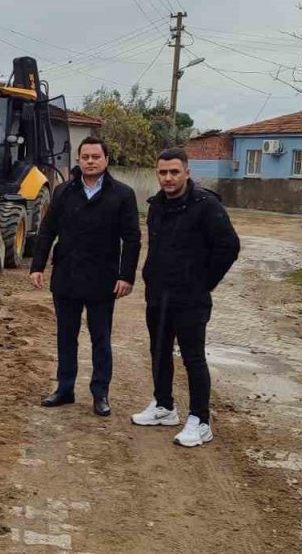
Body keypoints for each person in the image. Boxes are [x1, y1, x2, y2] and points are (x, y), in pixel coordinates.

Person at [132, 148, 240, 447]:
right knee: (159, 352)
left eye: (174, 172)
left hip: (191, 299)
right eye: (163, 172)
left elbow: (229, 247)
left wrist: (204, 281)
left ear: (187, 173)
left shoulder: (206, 205)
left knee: (193, 358)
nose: (168, 178)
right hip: (159, 296)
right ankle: (164, 406)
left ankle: (201, 420)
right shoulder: (156, 206)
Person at [30, 137, 140, 417]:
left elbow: (132, 239)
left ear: (106, 160)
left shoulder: (122, 195)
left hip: (103, 280)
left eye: (96, 156)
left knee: (100, 338)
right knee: (66, 337)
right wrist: (37, 266)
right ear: (78, 160)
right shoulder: (64, 192)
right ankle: (64, 388)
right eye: (85, 156)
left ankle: (100, 393)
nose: (90, 161)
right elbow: (47, 230)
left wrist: (126, 276)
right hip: (66, 276)